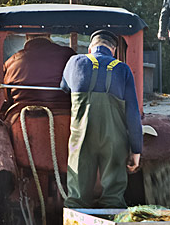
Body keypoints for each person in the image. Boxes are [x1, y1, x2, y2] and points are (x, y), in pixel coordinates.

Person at [60, 29, 143, 208]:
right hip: (114, 140)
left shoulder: (74, 62)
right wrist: (136, 149)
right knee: (113, 196)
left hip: (81, 138)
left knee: (76, 197)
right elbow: (133, 114)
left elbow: (64, 87)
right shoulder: (123, 69)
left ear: (90, 48)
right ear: (112, 51)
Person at [1, 34, 75, 123]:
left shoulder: (12, 62)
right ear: (49, 34)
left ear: (27, 37)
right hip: (67, 116)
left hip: (21, 119)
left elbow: (7, 95)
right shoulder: (69, 55)